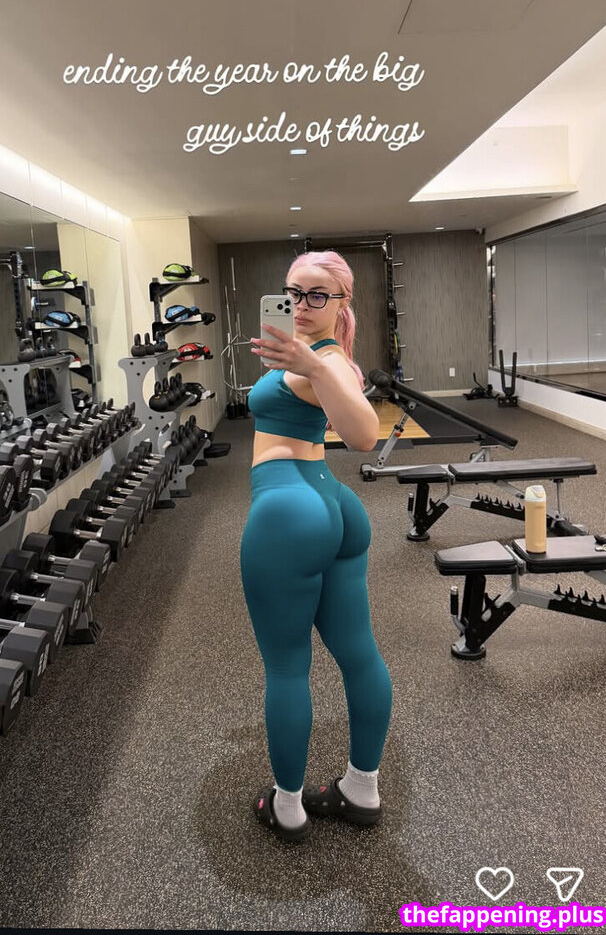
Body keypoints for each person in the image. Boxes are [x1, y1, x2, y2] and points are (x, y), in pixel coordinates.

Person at [241, 250, 393, 842]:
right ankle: (361, 789)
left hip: (288, 511)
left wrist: (311, 364)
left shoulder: (324, 361)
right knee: (359, 654)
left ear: (341, 302)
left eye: (316, 295)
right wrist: (306, 359)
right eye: (293, 293)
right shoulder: (326, 355)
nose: (301, 305)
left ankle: (287, 808)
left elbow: (363, 434)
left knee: (286, 667)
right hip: (333, 505)